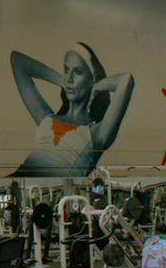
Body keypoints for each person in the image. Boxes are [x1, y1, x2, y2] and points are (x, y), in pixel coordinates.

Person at [10, 43, 133, 177]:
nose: (69, 78)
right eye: (66, 70)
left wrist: (96, 86)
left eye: (78, 72)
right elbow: (17, 60)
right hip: (16, 182)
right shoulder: (45, 117)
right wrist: (61, 80)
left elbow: (126, 81)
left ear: (92, 78)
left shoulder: (97, 133)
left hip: (50, 188)